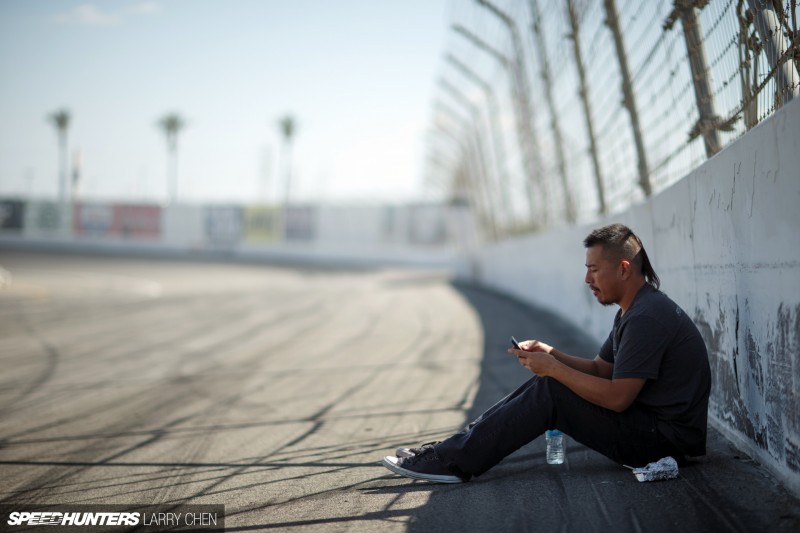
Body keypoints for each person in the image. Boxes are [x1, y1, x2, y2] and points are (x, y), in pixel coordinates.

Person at [382, 223, 711, 483]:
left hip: (664, 443)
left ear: (624, 269)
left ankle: (453, 462)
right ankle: (450, 451)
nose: (587, 278)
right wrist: (550, 352)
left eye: (595, 269)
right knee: (550, 383)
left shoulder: (647, 318)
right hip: (650, 429)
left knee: (551, 389)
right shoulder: (635, 309)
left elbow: (617, 399)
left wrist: (553, 368)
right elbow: (601, 369)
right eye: (587, 268)